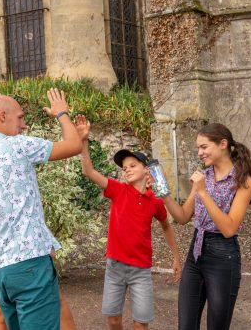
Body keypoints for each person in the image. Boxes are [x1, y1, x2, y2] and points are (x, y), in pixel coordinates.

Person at [0, 88, 82, 330]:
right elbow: (74, 145)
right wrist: (61, 113)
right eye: (20, 117)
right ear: (2, 116)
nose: (24, 124)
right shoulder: (18, 146)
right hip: (31, 264)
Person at [74, 115, 181, 330]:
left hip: (140, 270)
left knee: (140, 323)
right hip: (115, 267)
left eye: (132, 165)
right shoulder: (117, 190)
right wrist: (83, 141)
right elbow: (89, 171)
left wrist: (176, 256)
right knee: (113, 319)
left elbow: (166, 225)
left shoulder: (156, 201)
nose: (127, 169)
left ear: (146, 169)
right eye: (124, 168)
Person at [156, 123, 251, 330]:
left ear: (223, 144)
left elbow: (229, 228)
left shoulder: (243, 181)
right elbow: (183, 216)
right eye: (198, 148)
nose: (199, 153)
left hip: (223, 256)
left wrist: (203, 192)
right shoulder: (204, 176)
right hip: (195, 252)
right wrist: (163, 192)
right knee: (186, 325)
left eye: (204, 147)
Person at [0, 215, 77, 330]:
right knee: (1, 317)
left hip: (26, 255)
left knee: (58, 303)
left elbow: (30, 214)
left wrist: (47, 243)